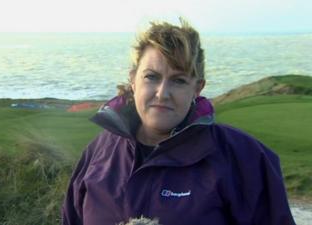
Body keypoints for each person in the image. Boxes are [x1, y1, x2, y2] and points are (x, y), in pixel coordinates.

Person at [61, 18, 296, 225]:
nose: (162, 93)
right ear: (133, 80)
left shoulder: (245, 158)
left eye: (179, 80)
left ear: (197, 88)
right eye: (151, 77)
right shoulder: (97, 154)